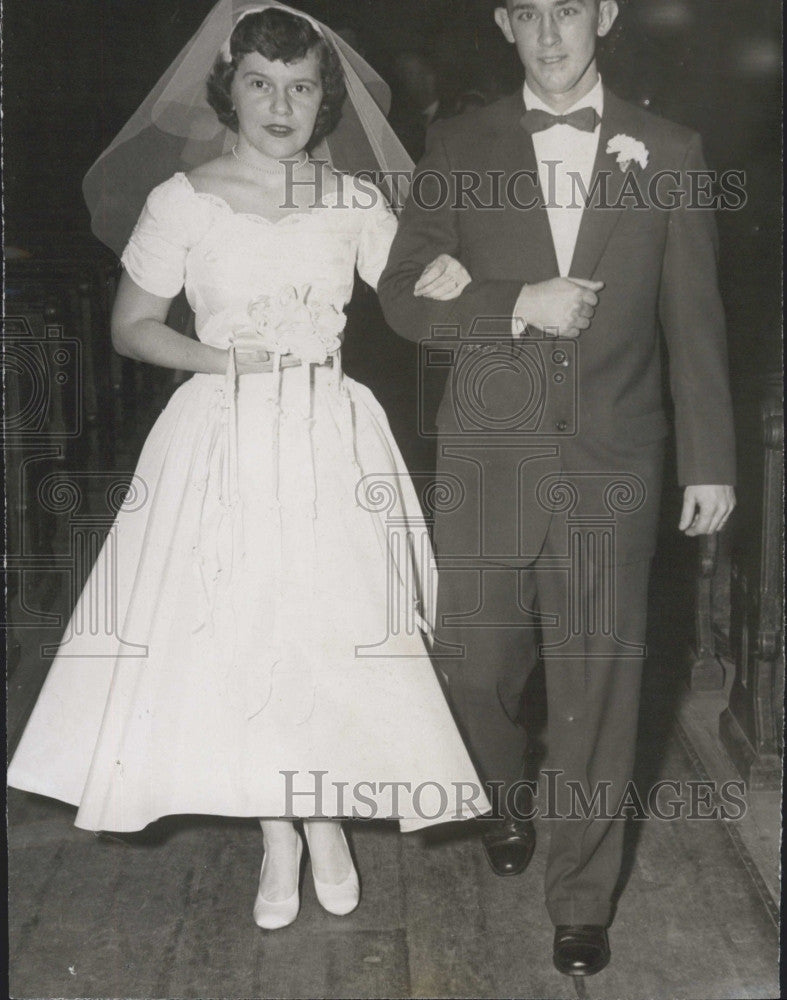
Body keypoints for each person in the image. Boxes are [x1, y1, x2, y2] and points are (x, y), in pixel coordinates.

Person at [7, 3, 491, 932]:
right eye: (262, 84)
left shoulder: (350, 199)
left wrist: (448, 280)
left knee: (326, 628)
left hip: (328, 433)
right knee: (238, 629)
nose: (282, 104)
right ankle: (280, 830)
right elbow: (132, 328)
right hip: (221, 433)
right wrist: (223, 360)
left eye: (301, 86)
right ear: (229, 90)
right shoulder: (182, 201)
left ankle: (325, 822)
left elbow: (409, 296)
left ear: (324, 99)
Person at [378, 0, 736, 978]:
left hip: (613, 460)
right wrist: (509, 307)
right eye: (527, 12)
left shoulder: (668, 147)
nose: (549, 32)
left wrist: (708, 457)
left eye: (567, 8)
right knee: (476, 668)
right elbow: (401, 294)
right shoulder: (457, 142)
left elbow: (692, 316)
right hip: (489, 459)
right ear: (502, 23)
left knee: (598, 689)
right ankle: (501, 791)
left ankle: (580, 895)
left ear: (604, 15)